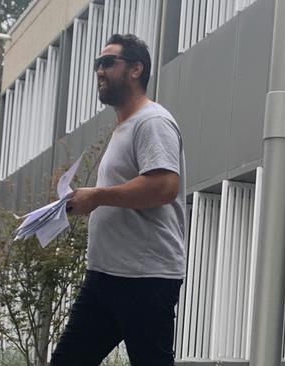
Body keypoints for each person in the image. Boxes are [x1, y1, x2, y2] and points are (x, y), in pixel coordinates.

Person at [50, 34, 186, 366]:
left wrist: (97, 197)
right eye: (97, 63)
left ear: (136, 69)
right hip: (105, 276)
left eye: (108, 62)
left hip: (144, 278)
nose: (99, 70)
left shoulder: (151, 122)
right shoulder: (124, 127)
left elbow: (165, 185)